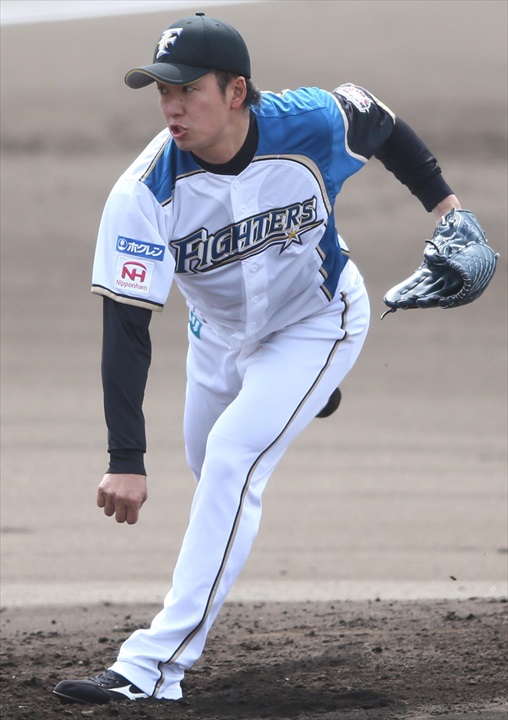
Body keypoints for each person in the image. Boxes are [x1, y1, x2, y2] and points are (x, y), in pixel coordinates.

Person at [53, 12, 461, 705]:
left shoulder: (310, 123)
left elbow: (381, 121)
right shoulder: (145, 191)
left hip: (317, 319)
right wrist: (126, 457)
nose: (172, 106)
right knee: (209, 466)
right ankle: (306, 394)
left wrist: (451, 212)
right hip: (218, 340)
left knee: (232, 463)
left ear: (236, 90)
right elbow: (125, 327)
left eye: (188, 89)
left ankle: (152, 667)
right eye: (163, 91)